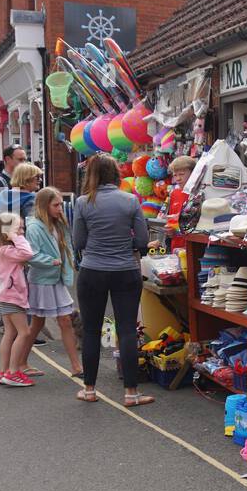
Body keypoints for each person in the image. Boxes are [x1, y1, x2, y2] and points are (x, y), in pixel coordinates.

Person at [72, 154, 152, 406]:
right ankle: (131, 393)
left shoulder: (83, 202)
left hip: (92, 271)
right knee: (126, 330)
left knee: (92, 330)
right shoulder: (130, 201)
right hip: (125, 270)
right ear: (116, 174)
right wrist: (124, 245)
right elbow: (141, 241)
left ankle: (89, 389)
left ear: (91, 175)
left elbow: (79, 242)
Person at [26, 186, 83, 376]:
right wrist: (51, 261)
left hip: (55, 278)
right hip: (42, 280)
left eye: (60, 204)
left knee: (65, 321)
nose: (60, 208)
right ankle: (19, 363)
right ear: (44, 205)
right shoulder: (34, 227)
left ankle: (76, 366)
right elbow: (31, 255)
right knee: (37, 324)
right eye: (56, 205)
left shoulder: (58, 223)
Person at [0, 212, 37, 387]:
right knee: (24, 333)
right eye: (19, 228)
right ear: (7, 231)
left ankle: (4, 371)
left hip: (4, 295)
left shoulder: (1, 249)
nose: (22, 231)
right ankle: (14, 372)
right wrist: (15, 237)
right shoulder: (8, 250)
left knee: (10, 332)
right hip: (11, 296)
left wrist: (15, 235)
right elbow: (28, 253)